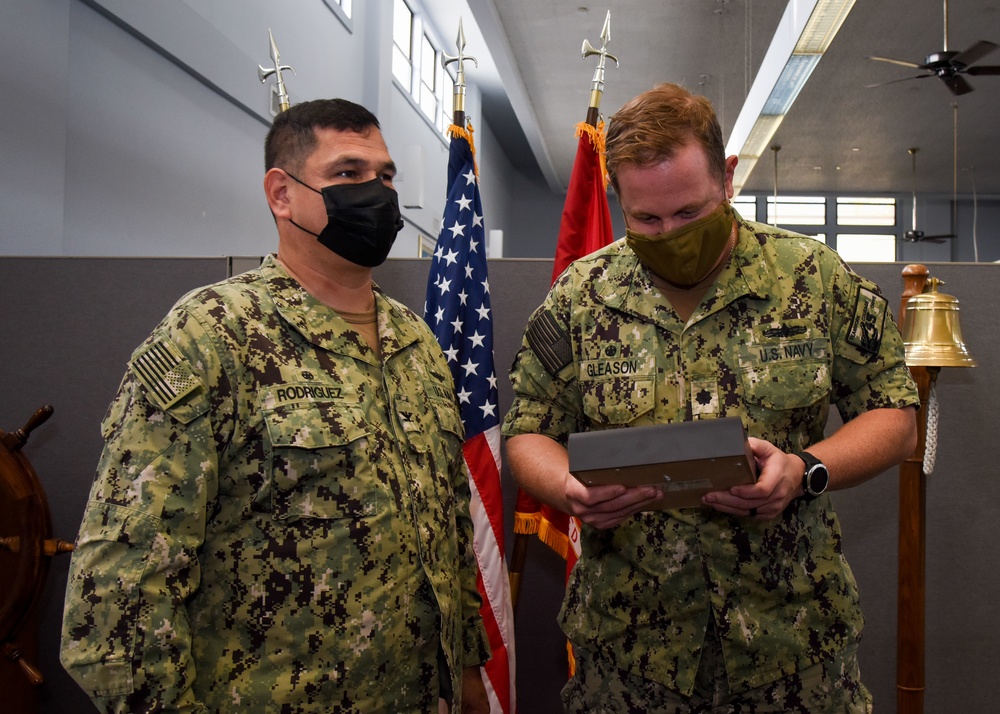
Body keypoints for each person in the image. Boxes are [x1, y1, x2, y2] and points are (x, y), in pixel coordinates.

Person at [60, 98, 491, 713]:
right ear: (282, 194)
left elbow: (450, 528)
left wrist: (468, 669)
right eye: (348, 174)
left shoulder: (415, 342)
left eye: (386, 175)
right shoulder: (213, 335)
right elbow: (119, 591)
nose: (377, 193)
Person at [502, 83, 919, 713]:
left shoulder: (812, 278)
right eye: (646, 219)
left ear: (726, 177)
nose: (668, 233)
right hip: (630, 655)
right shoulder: (581, 296)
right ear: (619, 198)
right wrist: (567, 489)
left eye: (688, 213)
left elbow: (895, 416)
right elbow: (528, 430)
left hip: (793, 650)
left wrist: (804, 470)